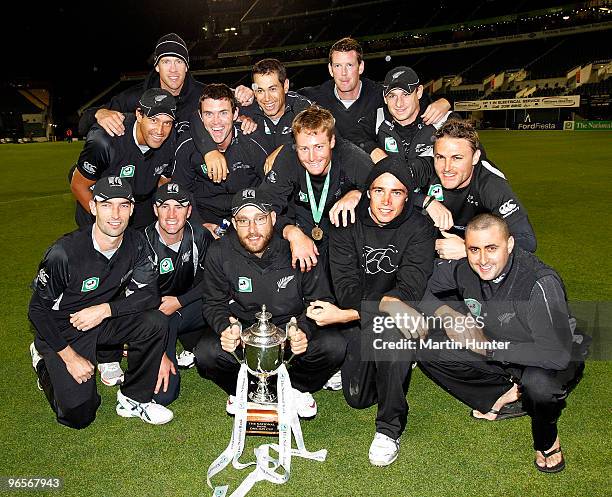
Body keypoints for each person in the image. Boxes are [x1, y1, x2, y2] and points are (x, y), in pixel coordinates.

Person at [417, 213, 585, 473]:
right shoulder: (465, 268)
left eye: (491, 248)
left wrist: (489, 348)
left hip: (548, 355)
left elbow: (557, 356)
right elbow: (419, 288)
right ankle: (500, 393)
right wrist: (445, 314)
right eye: (474, 249)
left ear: (510, 244)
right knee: (426, 347)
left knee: (539, 386)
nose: (483, 260)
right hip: (500, 344)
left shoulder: (539, 283)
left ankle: (547, 440)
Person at [307, 157, 436, 466]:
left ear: (407, 196)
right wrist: (378, 304)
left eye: (397, 192)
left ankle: (390, 428)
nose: (387, 201)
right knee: (357, 398)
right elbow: (346, 289)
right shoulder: (345, 223)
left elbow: (409, 291)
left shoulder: (420, 227)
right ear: (367, 192)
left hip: (390, 318)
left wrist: (351, 314)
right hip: (361, 315)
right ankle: (391, 366)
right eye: (379, 191)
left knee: (394, 334)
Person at [28, 177, 174, 428]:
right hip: (64, 330)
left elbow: (150, 295)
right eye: (106, 205)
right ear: (93, 207)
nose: (115, 214)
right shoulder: (64, 253)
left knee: (156, 321)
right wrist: (70, 357)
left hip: (102, 320)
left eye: (123, 205)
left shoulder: (137, 243)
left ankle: (134, 399)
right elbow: (37, 310)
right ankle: (43, 363)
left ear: (132, 209)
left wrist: (107, 309)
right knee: (79, 415)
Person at [193, 188, 346, 417]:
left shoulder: (298, 248)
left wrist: (303, 330)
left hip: (289, 330)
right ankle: (251, 391)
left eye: (260, 219)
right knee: (207, 352)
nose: (252, 230)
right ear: (234, 223)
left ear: (273, 219)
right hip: (245, 333)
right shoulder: (219, 251)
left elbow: (320, 300)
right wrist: (226, 328)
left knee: (334, 346)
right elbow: (213, 303)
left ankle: (294, 388)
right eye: (244, 221)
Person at [96, 183, 214, 403]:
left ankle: (194, 345)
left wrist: (180, 301)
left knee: (216, 350)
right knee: (163, 395)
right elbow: (130, 299)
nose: (171, 214)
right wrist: (158, 353)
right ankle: (136, 348)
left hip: (187, 308)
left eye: (179, 206)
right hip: (155, 316)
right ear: (154, 209)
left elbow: (214, 280)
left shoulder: (200, 235)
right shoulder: (139, 243)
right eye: (164, 206)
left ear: (189, 211)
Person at [260, 106, 373, 272]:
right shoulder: (288, 157)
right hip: (302, 230)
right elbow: (265, 205)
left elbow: (386, 194)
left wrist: (360, 194)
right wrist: (291, 232)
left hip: (344, 237)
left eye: (319, 147)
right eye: (304, 149)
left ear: (332, 141)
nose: (312, 157)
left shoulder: (352, 158)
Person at [408, 119, 536, 259]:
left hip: (477, 247)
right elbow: (385, 185)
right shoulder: (426, 166)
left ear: (475, 158)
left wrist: (470, 250)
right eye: (440, 157)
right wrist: (425, 201)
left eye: (457, 158)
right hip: (430, 243)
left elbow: (526, 241)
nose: (446, 168)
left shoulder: (490, 183)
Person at [299, 37, 451, 146]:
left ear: (361, 67)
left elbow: (416, 101)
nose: (343, 73)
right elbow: (284, 98)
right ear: (330, 70)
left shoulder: (381, 94)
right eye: (338, 66)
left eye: (350, 65)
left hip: (371, 172)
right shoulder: (314, 96)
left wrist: (445, 101)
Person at [70, 88, 176, 230]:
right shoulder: (104, 141)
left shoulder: (171, 140)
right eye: (153, 120)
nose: (160, 130)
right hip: (102, 210)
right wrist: (106, 223)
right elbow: (78, 185)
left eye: (167, 122)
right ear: (139, 114)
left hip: (140, 208)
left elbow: (163, 181)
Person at [171, 84, 268, 236]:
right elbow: (180, 193)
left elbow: (271, 188)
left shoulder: (252, 141)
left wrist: (254, 220)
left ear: (235, 114)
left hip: (247, 214)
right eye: (209, 114)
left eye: (223, 113)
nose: (216, 122)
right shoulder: (186, 145)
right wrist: (199, 225)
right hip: (204, 215)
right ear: (200, 116)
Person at [78, 33, 202, 137]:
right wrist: (100, 113)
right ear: (157, 67)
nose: (173, 69)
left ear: (186, 66)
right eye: (166, 62)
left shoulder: (204, 97)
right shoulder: (137, 96)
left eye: (179, 61)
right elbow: (83, 125)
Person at [356, 65, 453, 164]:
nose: (399, 103)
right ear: (385, 98)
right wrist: (374, 150)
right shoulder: (377, 118)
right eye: (392, 96)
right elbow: (353, 137)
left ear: (419, 92)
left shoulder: (443, 120)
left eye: (405, 94)